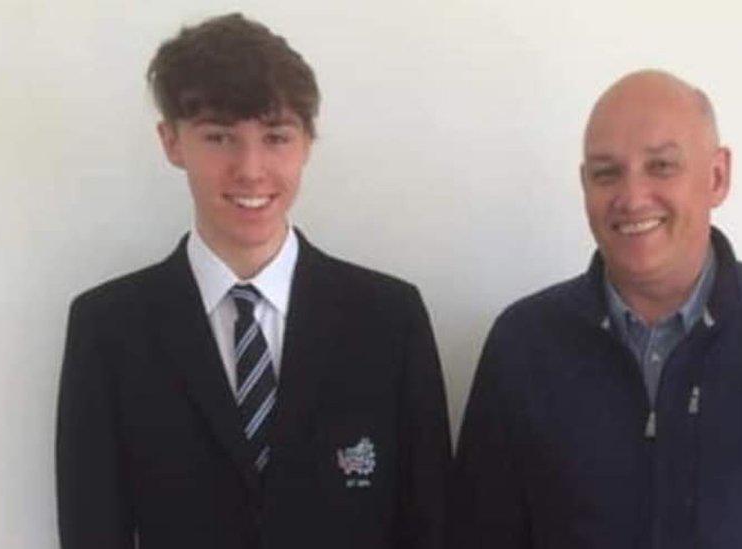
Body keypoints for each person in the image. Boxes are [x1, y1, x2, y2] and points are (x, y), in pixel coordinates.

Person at [56, 13, 450, 549]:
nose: (250, 168)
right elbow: (92, 531)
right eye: (219, 137)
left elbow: (431, 525)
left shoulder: (389, 320)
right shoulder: (108, 329)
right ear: (171, 142)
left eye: (276, 136)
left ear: (308, 142)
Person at [451, 70, 742, 548]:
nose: (632, 197)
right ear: (585, 186)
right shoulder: (524, 344)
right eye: (606, 173)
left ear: (717, 176)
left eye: (661, 166)